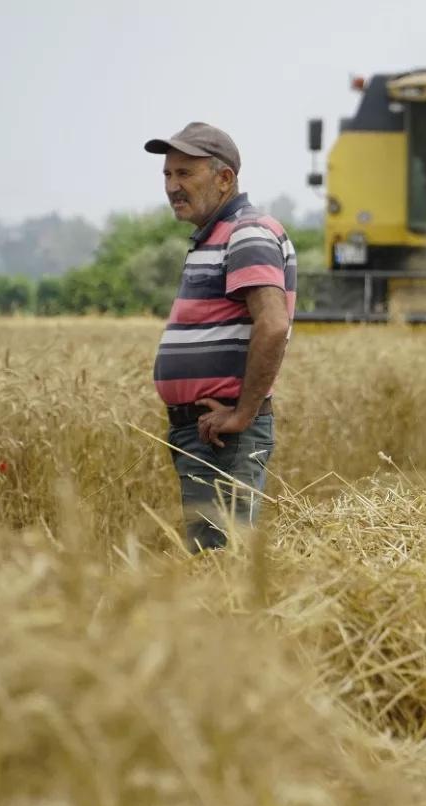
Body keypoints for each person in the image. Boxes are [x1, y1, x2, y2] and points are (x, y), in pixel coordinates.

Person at [144, 122, 295, 551]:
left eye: (184, 173)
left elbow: (273, 324)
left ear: (224, 178)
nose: (172, 186)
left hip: (223, 436)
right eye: (167, 174)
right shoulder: (215, 236)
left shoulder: (246, 232)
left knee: (220, 560)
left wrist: (242, 414)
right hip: (204, 433)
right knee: (211, 557)